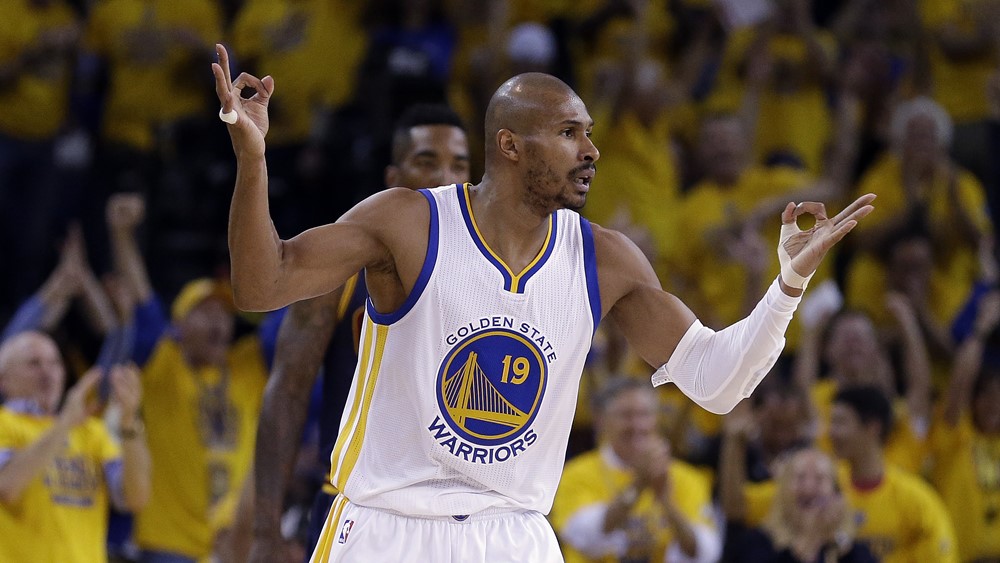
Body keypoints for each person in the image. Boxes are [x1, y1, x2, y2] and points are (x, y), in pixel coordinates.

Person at [212, 43, 874, 562]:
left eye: (587, 132)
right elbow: (261, 284)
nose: (590, 150)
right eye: (567, 133)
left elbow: (719, 384)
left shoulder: (602, 257)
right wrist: (253, 159)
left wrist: (786, 284)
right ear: (510, 145)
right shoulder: (408, 223)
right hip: (388, 529)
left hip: (514, 534)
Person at [245, 103, 471, 561]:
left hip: (464, 517)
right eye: (427, 162)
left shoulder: (496, 274)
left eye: (459, 165)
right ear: (393, 177)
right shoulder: (344, 268)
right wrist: (265, 529)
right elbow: (287, 389)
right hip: (358, 509)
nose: (444, 177)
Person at [106, 192, 269, 563]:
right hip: (169, 546)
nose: (217, 321)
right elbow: (143, 303)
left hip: (233, 546)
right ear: (178, 325)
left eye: (224, 315)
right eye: (204, 311)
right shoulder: (164, 365)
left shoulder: (245, 368)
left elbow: (283, 316)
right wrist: (121, 234)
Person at [0, 332, 151, 562]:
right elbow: (7, 486)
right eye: (33, 363)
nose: (48, 372)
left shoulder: (91, 432)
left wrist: (130, 421)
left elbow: (135, 498)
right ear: (4, 379)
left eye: (55, 363)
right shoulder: (5, 423)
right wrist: (63, 425)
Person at [550, 377, 721, 563]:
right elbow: (584, 538)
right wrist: (638, 485)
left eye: (645, 414)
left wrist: (667, 503)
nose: (637, 425)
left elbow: (705, 554)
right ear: (601, 420)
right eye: (626, 415)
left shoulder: (687, 477)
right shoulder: (575, 474)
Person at [726, 448, 877, 563]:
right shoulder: (754, 546)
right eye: (800, 477)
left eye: (819, 479)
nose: (809, 487)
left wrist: (839, 545)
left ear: (836, 494)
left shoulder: (853, 552)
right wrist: (807, 543)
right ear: (782, 491)